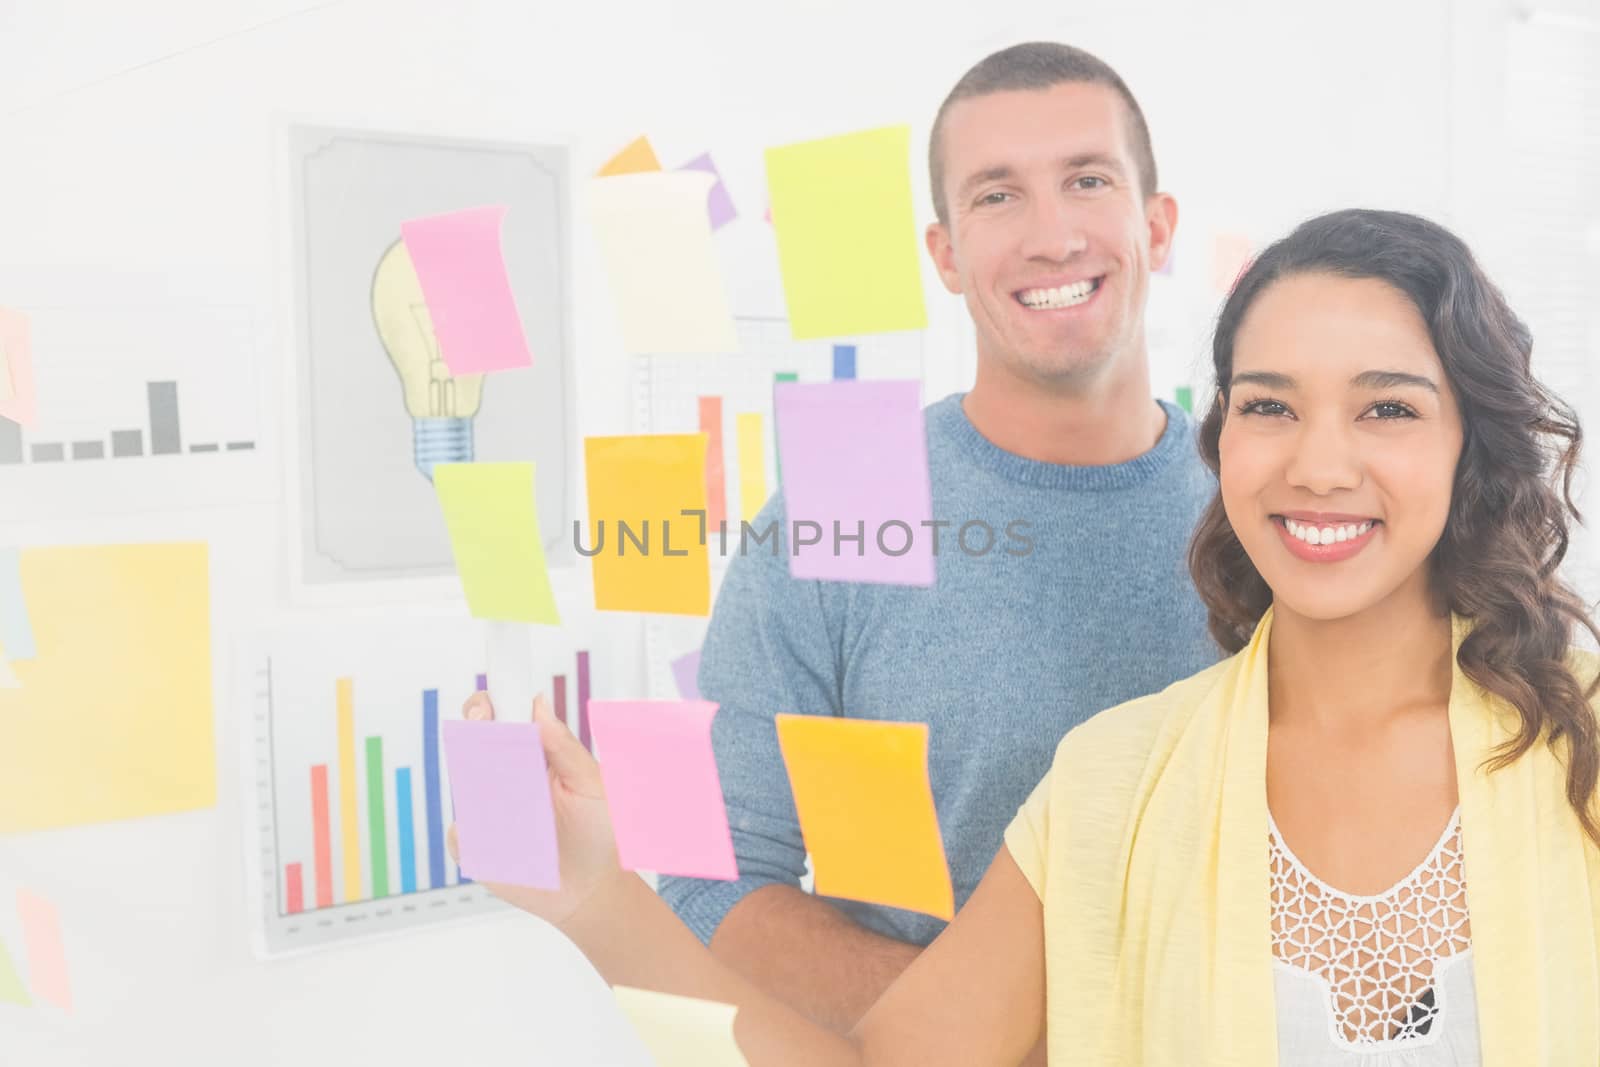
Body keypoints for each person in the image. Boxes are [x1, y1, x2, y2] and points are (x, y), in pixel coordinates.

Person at [455, 208, 1600, 1064]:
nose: (1317, 461)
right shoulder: (1113, 779)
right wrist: (598, 902)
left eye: (1386, 406)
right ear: (1222, 442)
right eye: (1268, 403)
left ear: (1472, 443)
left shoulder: (1580, 738)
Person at [657, 41, 1219, 1045]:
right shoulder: (830, 514)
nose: (1051, 235)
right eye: (997, 196)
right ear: (946, 254)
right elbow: (711, 877)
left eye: (1086, 180)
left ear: (1155, 225)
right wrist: (998, 1030)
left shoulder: (1263, 509)